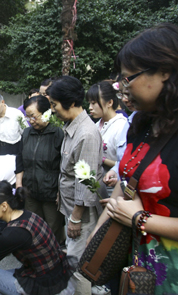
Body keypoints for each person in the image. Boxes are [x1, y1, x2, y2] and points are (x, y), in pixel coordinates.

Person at [90, 23, 178, 295]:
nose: (123, 88)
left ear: (164, 71)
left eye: (129, 78)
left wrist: (141, 219)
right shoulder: (140, 126)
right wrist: (94, 241)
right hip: (136, 266)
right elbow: (124, 188)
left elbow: (131, 211)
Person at [0, 180, 74, 295]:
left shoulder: (12, 234)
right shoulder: (24, 214)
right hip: (54, 273)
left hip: (46, 287)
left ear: (4, 206)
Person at [48, 75, 107, 295]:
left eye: (54, 105)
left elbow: (86, 183)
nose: (53, 110)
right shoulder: (71, 125)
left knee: (77, 265)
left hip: (80, 213)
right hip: (71, 207)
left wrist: (75, 219)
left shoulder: (87, 134)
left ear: (71, 103)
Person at [15, 95, 65, 244]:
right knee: (32, 228)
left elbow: (64, 165)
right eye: (28, 117)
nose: (31, 121)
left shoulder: (58, 133)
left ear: (46, 113)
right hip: (30, 191)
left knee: (52, 229)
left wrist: (60, 192)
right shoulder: (26, 134)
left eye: (34, 116)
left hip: (51, 192)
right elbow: (20, 160)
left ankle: (54, 259)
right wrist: (19, 184)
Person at [87, 81, 127, 195]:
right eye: (89, 103)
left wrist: (101, 159)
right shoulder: (96, 125)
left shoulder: (121, 126)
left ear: (109, 102)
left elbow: (125, 163)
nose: (90, 107)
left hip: (113, 189)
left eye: (94, 103)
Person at [103, 86, 137, 187]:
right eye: (122, 94)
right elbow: (124, 159)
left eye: (128, 93)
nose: (124, 99)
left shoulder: (121, 123)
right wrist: (116, 171)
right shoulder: (129, 122)